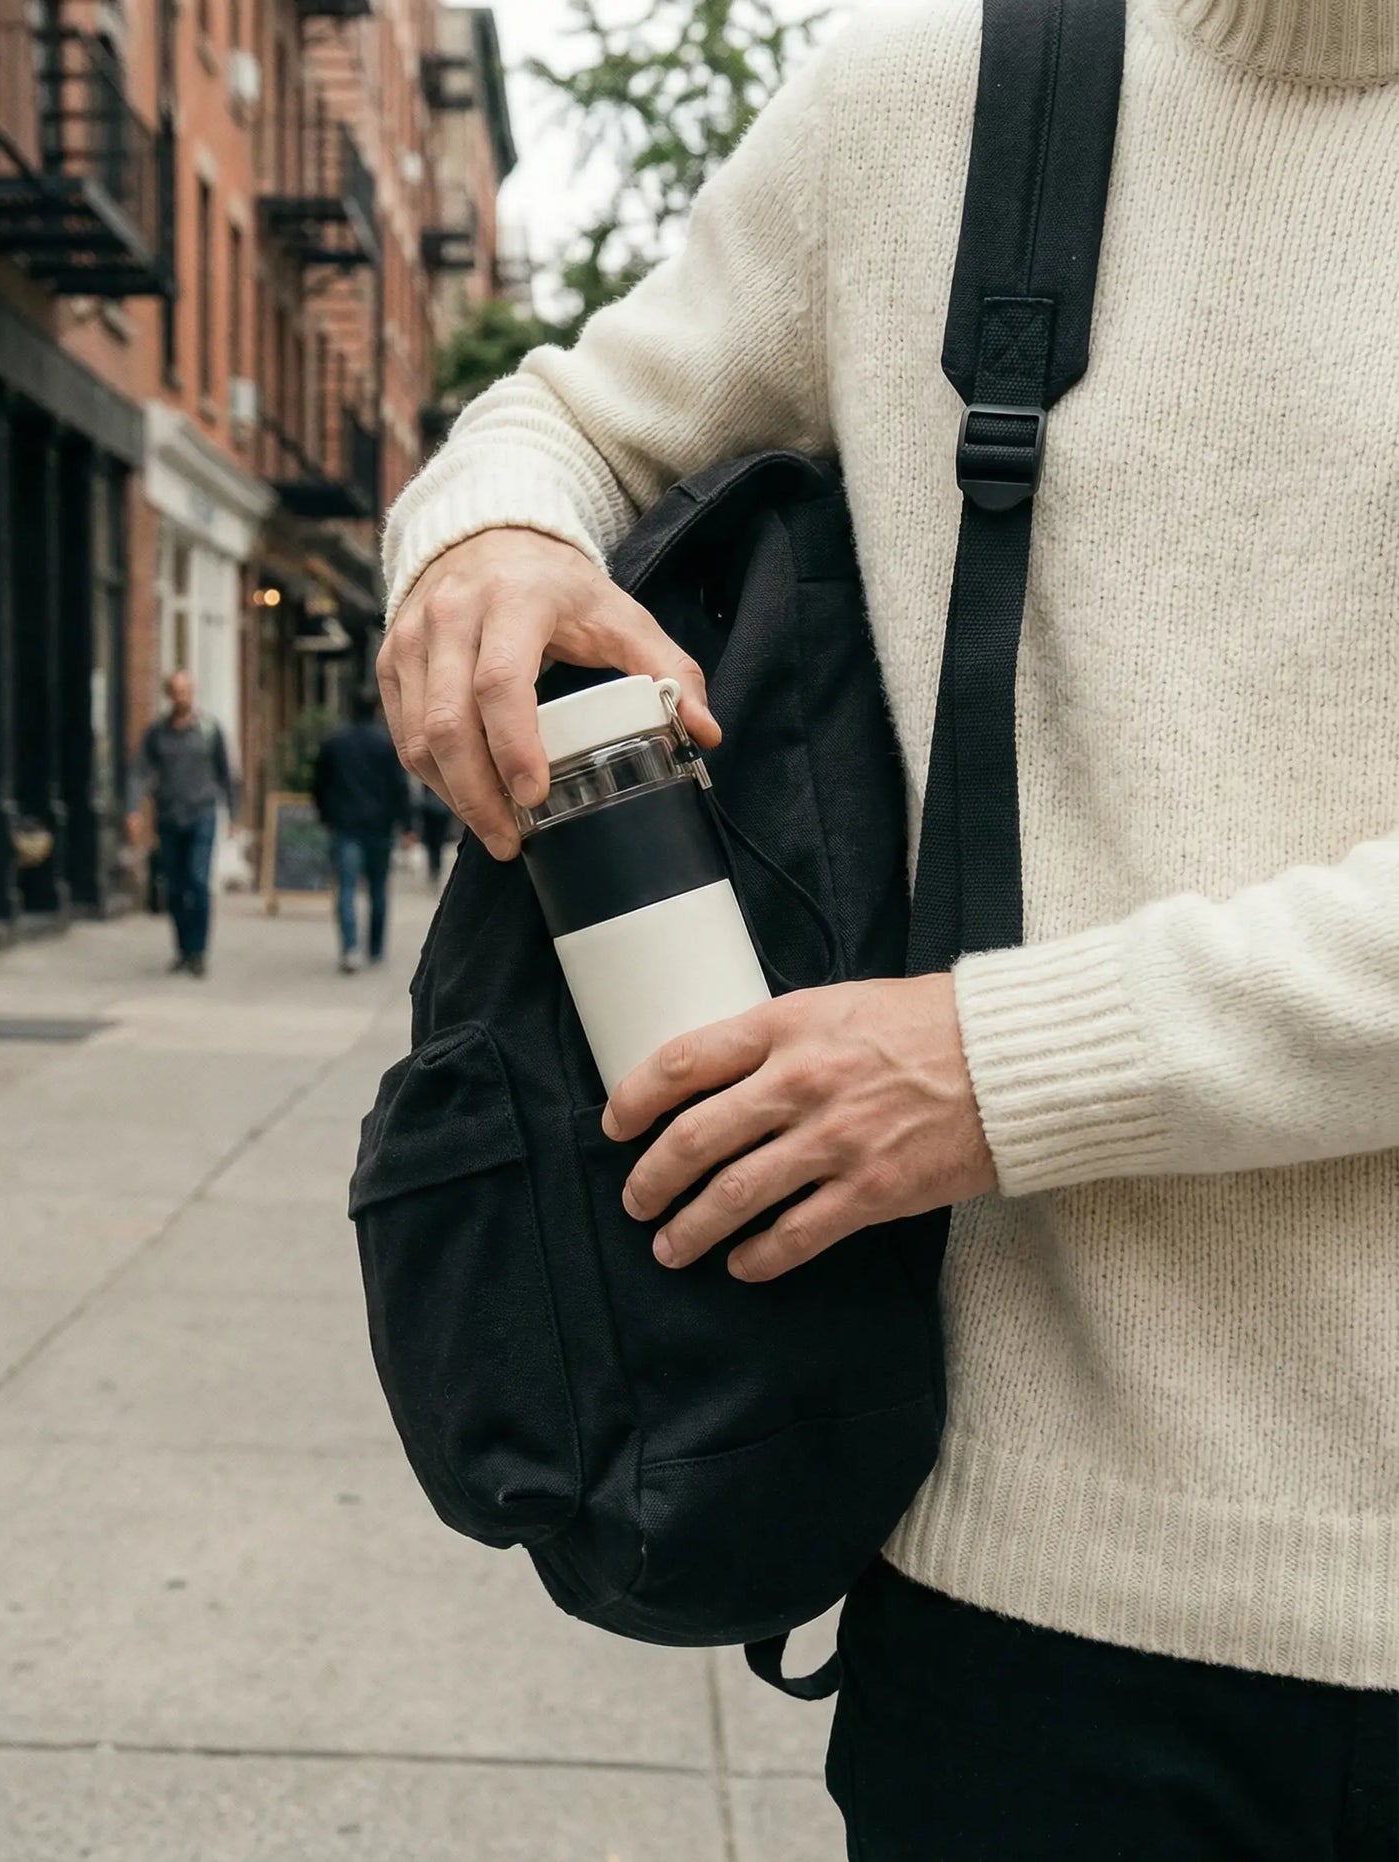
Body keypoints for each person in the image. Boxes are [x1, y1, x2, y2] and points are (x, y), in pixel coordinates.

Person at [375, 0, 1399, 1853]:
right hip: (1021, 1622)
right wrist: (490, 542)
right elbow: (566, 421)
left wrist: (1001, 1067)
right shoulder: (939, 97)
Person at [127, 672, 236, 979]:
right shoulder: (157, 733)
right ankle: (183, 949)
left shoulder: (209, 729)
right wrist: (133, 810)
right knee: (175, 886)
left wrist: (233, 814)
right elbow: (139, 772)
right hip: (169, 816)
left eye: (186, 691)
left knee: (198, 882)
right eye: (176, 691)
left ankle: (198, 951)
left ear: (193, 693)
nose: (182, 696)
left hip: (202, 814)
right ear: (169, 695)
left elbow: (225, 774)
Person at [312, 688, 414, 973]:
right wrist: (407, 825)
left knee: (346, 887)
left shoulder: (335, 742)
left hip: (346, 825)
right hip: (380, 826)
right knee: (378, 889)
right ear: (377, 710)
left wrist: (324, 815)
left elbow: (319, 784)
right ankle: (376, 949)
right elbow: (400, 786)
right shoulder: (387, 744)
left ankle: (350, 948)